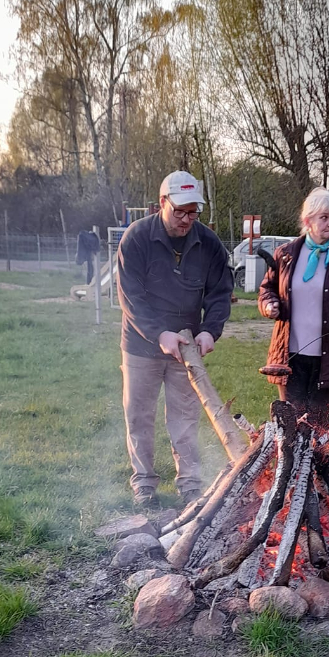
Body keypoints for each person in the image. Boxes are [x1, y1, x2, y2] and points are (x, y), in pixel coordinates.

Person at [117, 171, 233, 510]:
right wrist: (158, 334)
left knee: (184, 418)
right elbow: (131, 296)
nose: (186, 219)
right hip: (141, 345)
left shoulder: (209, 244)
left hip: (186, 348)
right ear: (162, 203)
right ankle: (144, 484)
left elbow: (220, 293)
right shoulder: (136, 238)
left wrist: (210, 330)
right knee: (139, 416)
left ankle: (190, 485)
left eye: (192, 212)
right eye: (179, 211)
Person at [258, 188, 329, 427]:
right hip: (290, 358)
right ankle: (291, 466)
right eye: (324, 217)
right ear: (307, 221)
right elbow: (267, 288)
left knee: (318, 428)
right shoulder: (286, 255)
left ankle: (319, 464)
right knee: (291, 426)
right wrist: (269, 305)